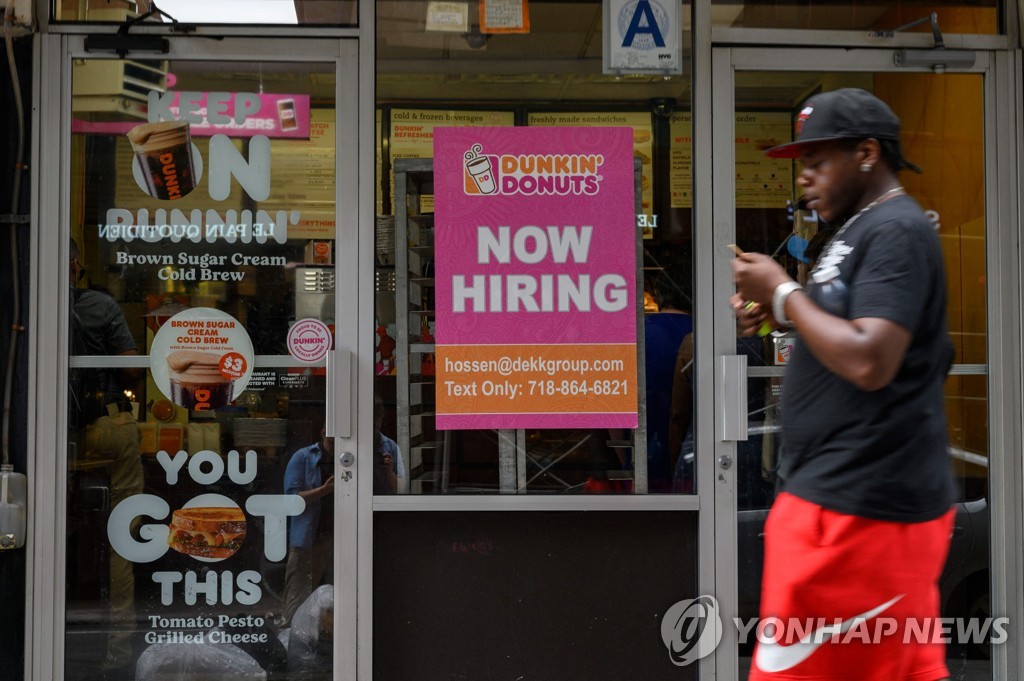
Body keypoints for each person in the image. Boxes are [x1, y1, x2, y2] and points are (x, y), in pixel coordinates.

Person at [730, 89, 956, 681]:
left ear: (866, 153)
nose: (804, 177)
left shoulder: (898, 231)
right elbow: (845, 323)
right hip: (841, 500)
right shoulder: (857, 230)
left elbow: (870, 359)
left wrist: (783, 290)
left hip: (862, 506)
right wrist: (778, 311)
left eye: (817, 161)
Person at [68, 239, 144, 677]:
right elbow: (133, 369)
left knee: (53, 529)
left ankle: (44, 622)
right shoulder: (99, 303)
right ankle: (117, 650)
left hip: (57, 432)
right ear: (77, 266)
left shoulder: (33, 303)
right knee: (122, 534)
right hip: (109, 427)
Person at [642, 262, 693, 491]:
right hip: (694, 457)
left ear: (659, 293)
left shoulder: (637, 332)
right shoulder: (709, 333)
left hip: (642, 455)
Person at [282, 428, 335, 625]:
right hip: (308, 538)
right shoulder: (303, 457)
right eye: (332, 434)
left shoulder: (350, 456)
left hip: (338, 538)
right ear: (322, 433)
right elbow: (291, 500)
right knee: (297, 598)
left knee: (336, 598)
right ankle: (290, 639)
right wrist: (324, 490)